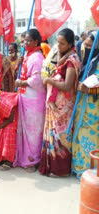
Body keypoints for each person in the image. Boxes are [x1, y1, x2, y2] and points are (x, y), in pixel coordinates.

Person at [39, 28, 81, 177]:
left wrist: (50, 80)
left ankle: (60, 169)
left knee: (60, 136)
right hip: (55, 104)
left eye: (62, 44)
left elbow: (67, 86)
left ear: (70, 44)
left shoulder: (71, 62)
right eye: (57, 42)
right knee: (52, 135)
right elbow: (56, 66)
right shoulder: (64, 56)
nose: (58, 46)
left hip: (63, 107)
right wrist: (62, 53)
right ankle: (50, 166)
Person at [13, 29, 46, 172]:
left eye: (28, 41)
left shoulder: (38, 57)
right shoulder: (27, 55)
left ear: (36, 42)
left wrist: (23, 83)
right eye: (24, 40)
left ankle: (34, 160)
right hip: (25, 98)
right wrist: (17, 64)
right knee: (24, 131)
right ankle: (24, 157)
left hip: (34, 100)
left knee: (34, 132)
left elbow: (37, 80)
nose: (25, 43)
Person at [71, 31, 99, 179]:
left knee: (91, 137)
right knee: (80, 134)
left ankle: (90, 170)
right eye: (85, 45)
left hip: (94, 109)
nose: (86, 48)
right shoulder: (87, 60)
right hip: (82, 105)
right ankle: (78, 167)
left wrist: (90, 89)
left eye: (90, 46)